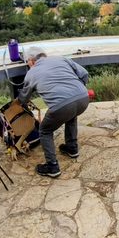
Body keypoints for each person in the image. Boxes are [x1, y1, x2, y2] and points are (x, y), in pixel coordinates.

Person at [18, 47, 90, 178]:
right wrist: (76, 90)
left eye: (27, 62)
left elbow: (24, 98)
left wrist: (19, 98)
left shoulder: (32, 72)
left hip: (61, 106)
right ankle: (72, 148)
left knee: (45, 130)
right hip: (83, 99)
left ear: (32, 61)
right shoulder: (60, 58)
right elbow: (84, 74)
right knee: (71, 115)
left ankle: (52, 166)